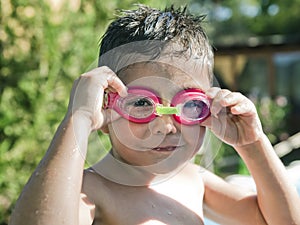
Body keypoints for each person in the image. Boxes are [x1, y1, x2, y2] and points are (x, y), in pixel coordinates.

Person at [10, 5, 300, 225]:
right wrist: (78, 120)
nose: (166, 125)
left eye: (188, 104)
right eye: (140, 104)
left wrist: (253, 144)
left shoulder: (194, 180)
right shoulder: (92, 190)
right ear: (105, 107)